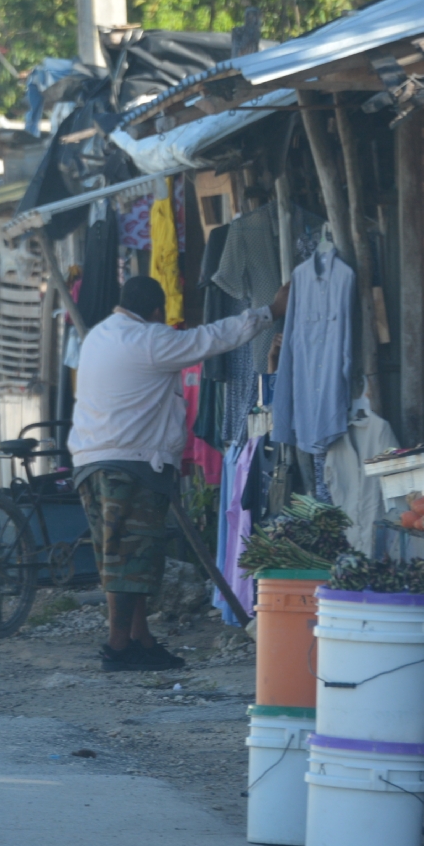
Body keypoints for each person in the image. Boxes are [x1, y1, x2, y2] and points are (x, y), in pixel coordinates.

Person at [70, 274, 289, 672]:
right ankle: (118, 647)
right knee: (128, 560)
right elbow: (210, 339)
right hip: (128, 464)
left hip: (91, 461)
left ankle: (140, 640)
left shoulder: (100, 335)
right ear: (156, 312)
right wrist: (270, 312)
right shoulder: (150, 340)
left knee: (129, 558)